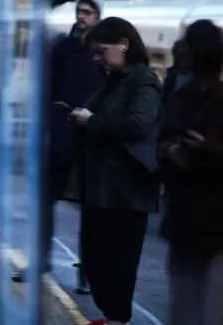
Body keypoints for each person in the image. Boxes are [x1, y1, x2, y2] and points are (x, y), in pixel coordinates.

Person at [67, 17, 162, 325]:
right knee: (95, 259)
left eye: (101, 51)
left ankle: (118, 318)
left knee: (119, 262)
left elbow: (137, 124)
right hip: (102, 188)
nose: (98, 59)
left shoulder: (144, 82)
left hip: (126, 192)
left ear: (124, 44)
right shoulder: (113, 81)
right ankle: (111, 316)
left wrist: (91, 121)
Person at [13, 0, 105, 286]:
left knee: (91, 208)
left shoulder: (104, 53)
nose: (82, 16)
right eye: (80, 11)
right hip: (61, 133)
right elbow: (46, 86)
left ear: (98, 16)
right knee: (45, 201)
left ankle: (88, 271)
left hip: (92, 136)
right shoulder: (64, 48)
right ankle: (40, 260)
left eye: (88, 12)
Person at [157, 19, 223, 325]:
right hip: (187, 217)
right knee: (185, 306)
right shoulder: (181, 96)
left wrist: (206, 149)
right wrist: (173, 152)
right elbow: (160, 142)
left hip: (208, 218)